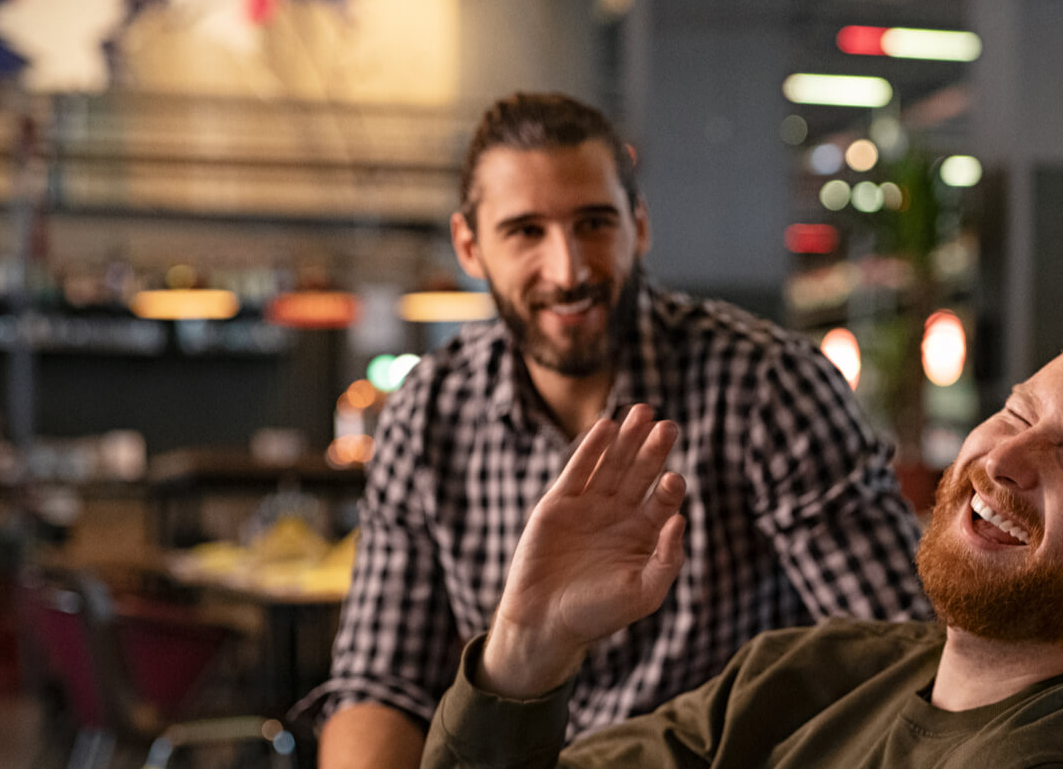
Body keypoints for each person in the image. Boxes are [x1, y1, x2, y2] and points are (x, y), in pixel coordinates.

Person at [296, 92, 933, 767]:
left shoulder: (766, 385)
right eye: (525, 232)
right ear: (469, 246)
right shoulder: (426, 414)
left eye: (594, 224)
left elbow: (904, 654)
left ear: (640, 226)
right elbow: (380, 685)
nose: (568, 271)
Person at [419, 284, 1063, 768]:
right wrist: (532, 642)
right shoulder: (811, 672)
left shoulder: (1043, 761)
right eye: (1019, 412)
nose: (1005, 460)